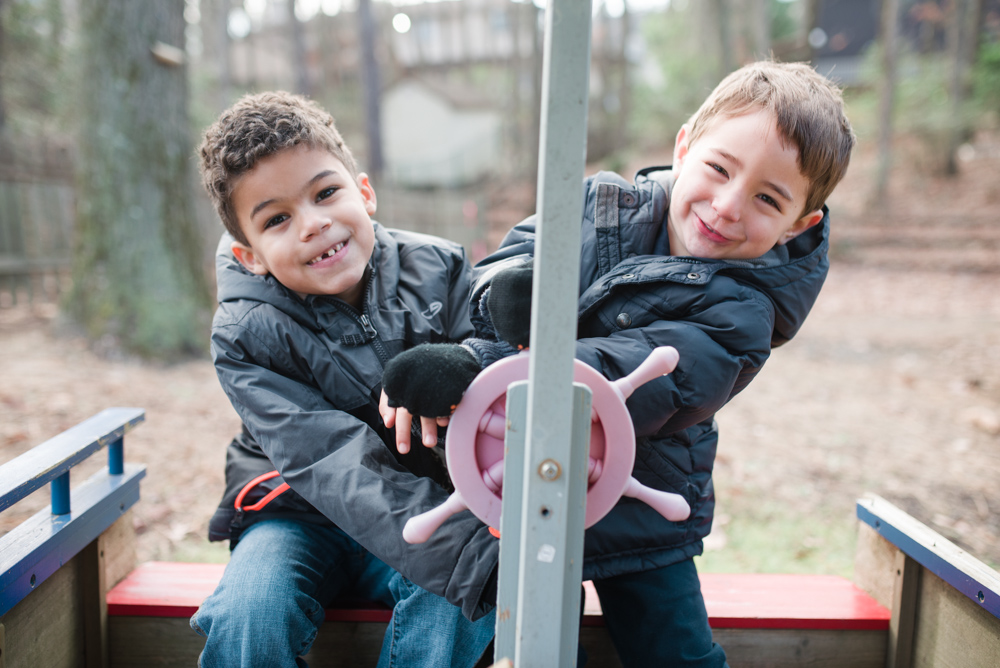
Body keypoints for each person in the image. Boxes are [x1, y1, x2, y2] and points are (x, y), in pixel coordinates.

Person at [380, 60, 856, 667]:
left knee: (673, 650)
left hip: (643, 508)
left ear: (799, 224)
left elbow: (640, 376)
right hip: (523, 486)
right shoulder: (599, 202)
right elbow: (508, 262)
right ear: (684, 146)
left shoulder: (744, 315)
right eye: (718, 168)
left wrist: (481, 366)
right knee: (528, 635)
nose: (729, 205)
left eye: (768, 198)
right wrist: (505, 295)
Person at [189, 91, 497, 668]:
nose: (314, 224)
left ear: (364, 191)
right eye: (277, 219)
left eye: (326, 193)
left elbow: (497, 365)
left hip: (436, 507)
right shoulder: (244, 333)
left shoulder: (440, 268)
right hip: (299, 515)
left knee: (460, 601)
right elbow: (330, 460)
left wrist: (468, 367)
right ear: (249, 254)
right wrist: (463, 553)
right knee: (250, 610)